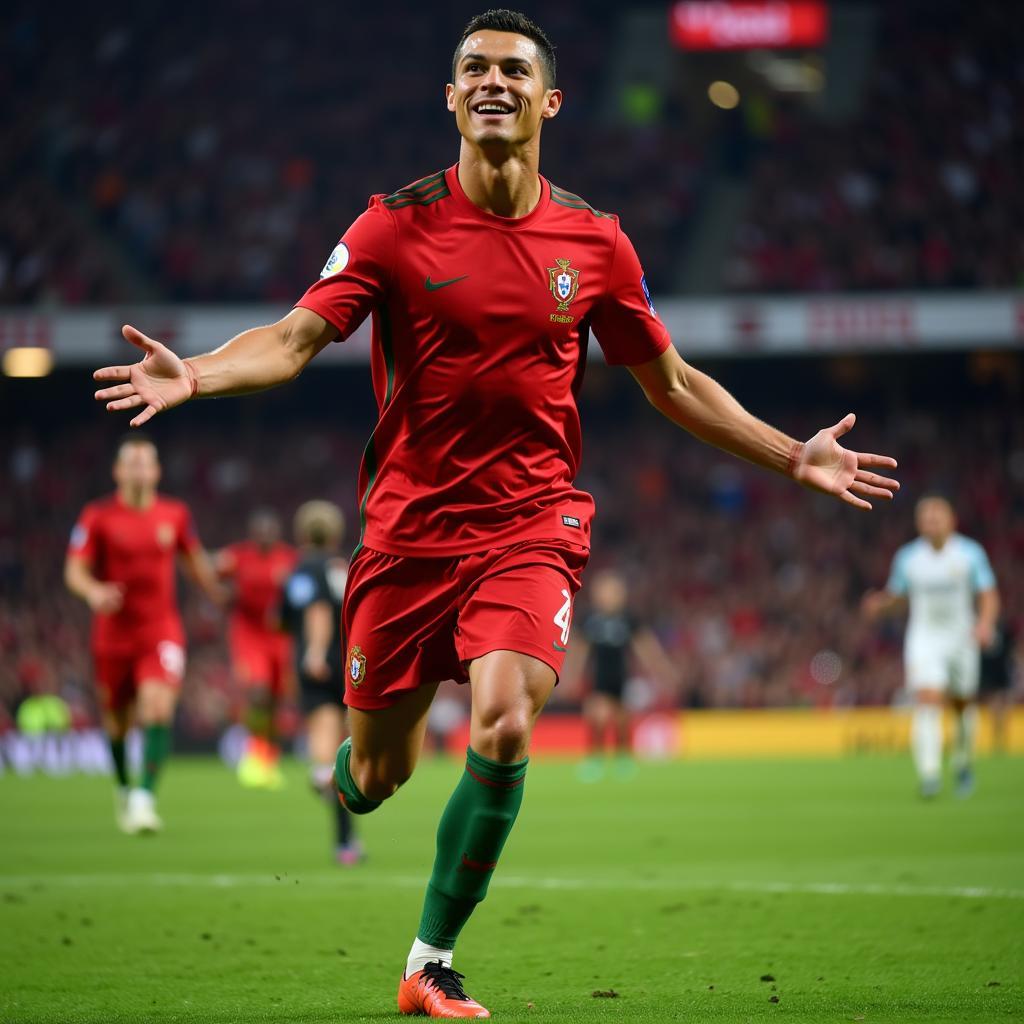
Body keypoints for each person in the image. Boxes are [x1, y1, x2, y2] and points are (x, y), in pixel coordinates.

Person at [91, 10, 899, 1017]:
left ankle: (427, 961)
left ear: (548, 99)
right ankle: (342, 772)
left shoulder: (594, 243)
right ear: (449, 96)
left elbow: (673, 383)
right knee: (378, 774)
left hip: (530, 524)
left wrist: (792, 454)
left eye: (513, 69)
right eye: (472, 67)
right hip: (405, 537)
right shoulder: (392, 223)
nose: (492, 81)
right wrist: (199, 375)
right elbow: (298, 338)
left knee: (507, 720)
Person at [64, 434, 223, 833]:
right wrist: (94, 591)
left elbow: (194, 561)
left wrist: (219, 595)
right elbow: (74, 571)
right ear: (118, 471)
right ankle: (123, 786)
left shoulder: (175, 514)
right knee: (116, 722)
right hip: (113, 634)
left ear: (156, 472)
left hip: (160, 630)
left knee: (157, 708)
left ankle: (143, 797)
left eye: (144, 462)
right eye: (130, 462)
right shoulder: (97, 516)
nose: (137, 468)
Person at [863, 496, 999, 798]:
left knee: (962, 705)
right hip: (924, 638)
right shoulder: (908, 558)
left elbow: (988, 593)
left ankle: (963, 762)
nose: (932, 522)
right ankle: (930, 774)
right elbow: (898, 598)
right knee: (927, 699)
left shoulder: (969, 554)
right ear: (918, 523)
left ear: (952, 520)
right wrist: (881, 606)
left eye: (938, 516)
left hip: (962, 638)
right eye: (926, 517)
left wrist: (986, 623)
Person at [279, 500, 362, 865]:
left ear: (301, 534)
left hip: (318, 665)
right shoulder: (341, 568)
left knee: (326, 749)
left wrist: (313, 651)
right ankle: (345, 844)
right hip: (349, 663)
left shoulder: (302, 570)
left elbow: (314, 610)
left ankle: (321, 774)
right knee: (345, 754)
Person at [569, 569, 676, 781]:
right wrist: (573, 674)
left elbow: (645, 647)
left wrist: (661, 671)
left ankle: (623, 758)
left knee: (621, 721)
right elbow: (579, 649)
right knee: (596, 717)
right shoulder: (590, 619)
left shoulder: (628, 618)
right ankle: (595, 759)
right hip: (598, 678)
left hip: (621, 677)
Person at [217, 509, 297, 789]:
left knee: (276, 701)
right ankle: (253, 755)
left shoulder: (288, 559)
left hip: (279, 637)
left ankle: (267, 759)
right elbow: (208, 569)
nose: (265, 536)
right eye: (260, 532)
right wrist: (221, 596)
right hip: (248, 635)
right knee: (258, 691)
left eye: (270, 531)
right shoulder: (238, 557)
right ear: (253, 534)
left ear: (277, 534)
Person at [979, 616, 1016, 754]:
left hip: (1001, 673)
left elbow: (1011, 651)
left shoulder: (1004, 629)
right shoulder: (981, 626)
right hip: (989, 674)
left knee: (1002, 709)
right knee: (994, 709)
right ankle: (996, 741)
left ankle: (1001, 741)